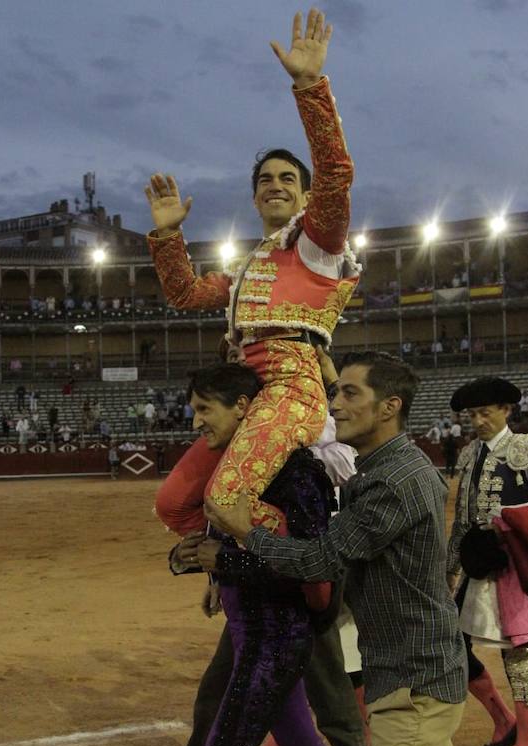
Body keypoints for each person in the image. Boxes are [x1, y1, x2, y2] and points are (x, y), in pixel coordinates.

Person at [205, 351, 518, 746]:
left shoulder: (389, 480)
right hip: (419, 675)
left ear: (390, 407)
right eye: (336, 391)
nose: (336, 403)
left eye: (350, 393)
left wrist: (244, 534)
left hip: (415, 686)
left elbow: (322, 561)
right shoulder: (389, 468)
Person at [118, 363, 354, 746]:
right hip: (252, 631)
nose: (196, 419)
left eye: (205, 408)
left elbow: (314, 564)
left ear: (246, 409)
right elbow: (229, 551)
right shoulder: (239, 467)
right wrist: (193, 560)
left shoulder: (301, 471)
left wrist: (226, 561)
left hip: (280, 636)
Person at [147, 9, 360, 571]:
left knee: (223, 502)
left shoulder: (317, 243)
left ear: (308, 199)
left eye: (288, 178)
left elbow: (336, 172)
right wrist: (169, 235)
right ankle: (256, 553)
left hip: (290, 387)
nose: (275, 185)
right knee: (173, 503)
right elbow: (187, 295)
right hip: (245, 392)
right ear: (253, 197)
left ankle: (311, 564)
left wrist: (310, 85)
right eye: (265, 179)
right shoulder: (251, 265)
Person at [447, 376, 528, 746]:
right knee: (453, 646)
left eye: (485, 412)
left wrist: (511, 531)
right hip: (478, 569)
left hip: (517, 569)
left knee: (517, 656)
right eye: (472, 414)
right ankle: (503, 719)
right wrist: (448, 574)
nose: (477, 421)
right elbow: (461, 523)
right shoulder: (468, 453)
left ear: (507, 411)